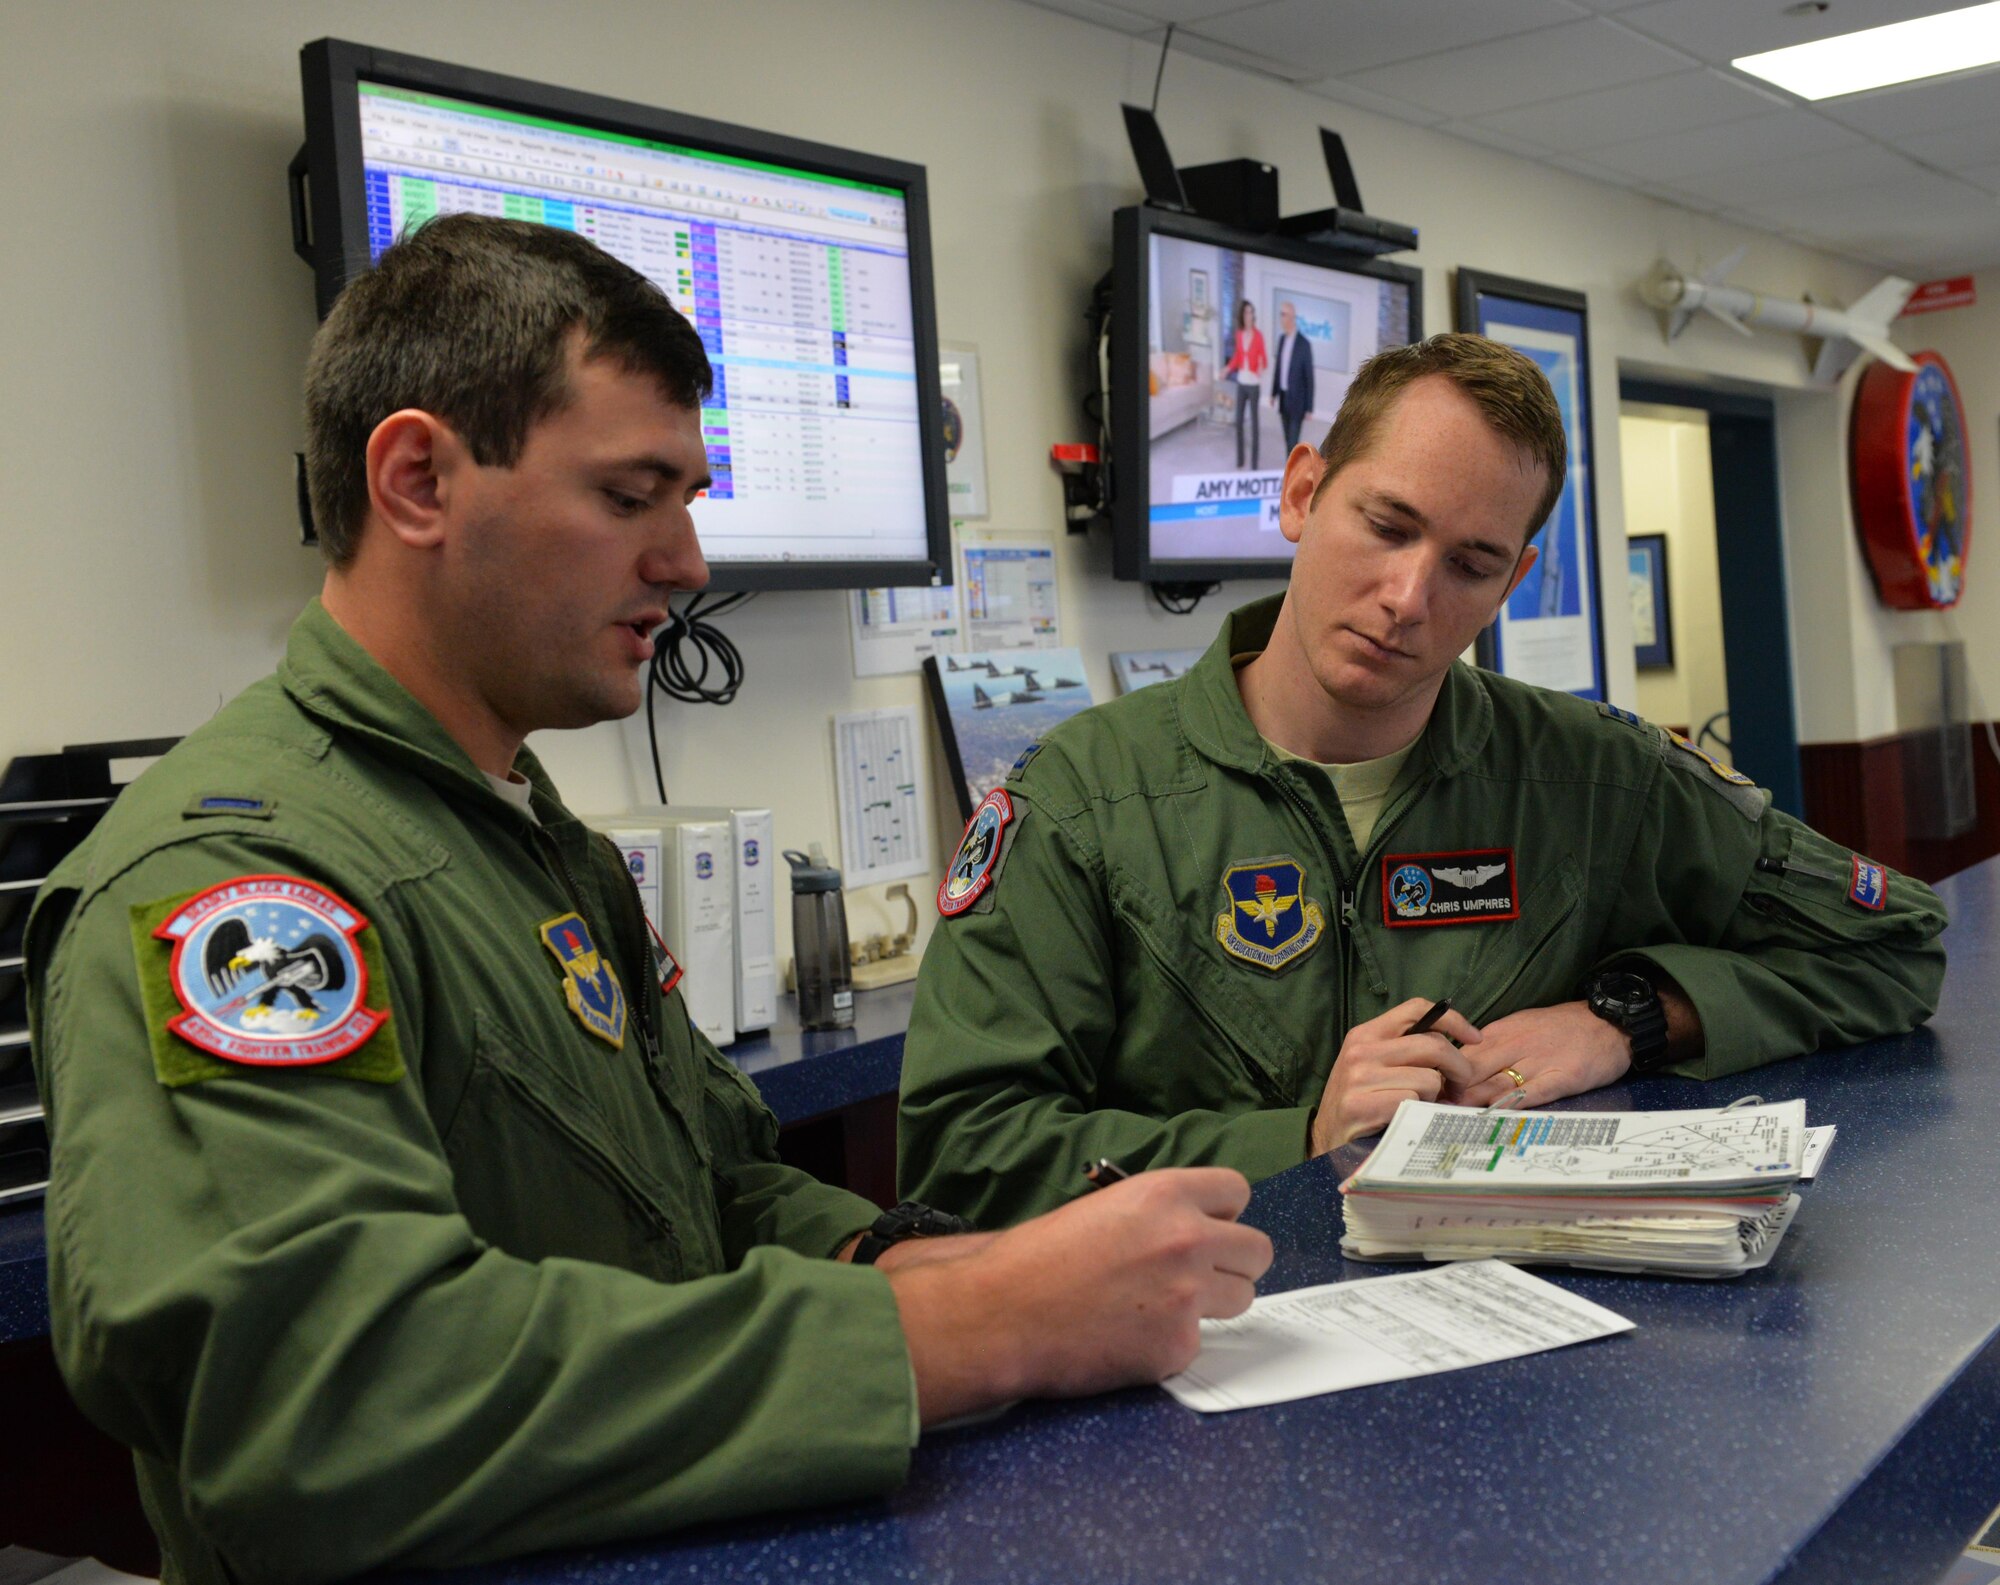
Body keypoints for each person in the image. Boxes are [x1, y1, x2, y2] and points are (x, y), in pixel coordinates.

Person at [23, 215, 1272, 1585]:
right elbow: (315, 1410)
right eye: (632, 496)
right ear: (417, 480)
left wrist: (903, 1256)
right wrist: (962, 1335)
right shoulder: (242, 891)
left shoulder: (518, 829)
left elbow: (715, 1185)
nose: (686, 560)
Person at [900, 332, 1947, 1229]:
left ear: (1513, 582)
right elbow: (960, 1156)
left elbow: (1892, 942)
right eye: (1386, 526)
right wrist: (1297, 1136)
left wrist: (1625, 1018)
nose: (1407, 596)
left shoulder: (1595, 778)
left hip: (1527, 1365)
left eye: (1468, 563)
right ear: (1301, 492)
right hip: (1202, 1387)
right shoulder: (1083, 802)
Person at [1220, 298, 1267, 470]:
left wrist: (1261, 365)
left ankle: (1254, 464)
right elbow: (1237, 357)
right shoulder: (1239, 335)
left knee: (1254, 425)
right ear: (1243, 315)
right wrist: (1227, 369)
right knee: (1238, 421)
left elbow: (1264, 359)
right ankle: (1240, 459)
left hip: (1253, 384)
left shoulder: (1258, 336)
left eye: (1251, 312)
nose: (1249, 315)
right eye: (1247, 312)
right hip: (1241, 382)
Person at [1267, 300, 1315, 452]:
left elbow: (1309, 377)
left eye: (1284, 314)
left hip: (1298, 403)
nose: (1281, 318)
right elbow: (1278, 369)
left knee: (1292, 444)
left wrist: (1309, 407)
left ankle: (1291, 474)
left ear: (1292, 317)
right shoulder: (1282, 340)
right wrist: (1273, 393)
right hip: (1283, 398)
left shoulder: (1304, 344)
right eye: (1280, 314)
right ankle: (1291, 470)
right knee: (1288, 440)